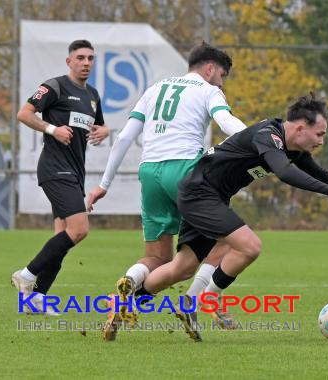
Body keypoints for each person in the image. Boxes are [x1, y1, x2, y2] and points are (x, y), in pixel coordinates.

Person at [141, 93, 328, 342]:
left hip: (209, 196)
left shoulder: (293, 149)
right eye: (320, 134)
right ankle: (206, 299)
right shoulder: (268, 135)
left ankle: (128, 302)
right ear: (301, 128)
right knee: (250, 246)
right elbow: (284, 172)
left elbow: (320, 174)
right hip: (199, 193)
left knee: (182, 268)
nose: (321, 141)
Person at [87, 42, 247, 339]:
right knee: (229, 243)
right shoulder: (208, 90)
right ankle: (198, 301)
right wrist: (255, 138)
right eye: (222, 75)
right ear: (210, 69)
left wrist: (103, 184)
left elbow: (123, 139)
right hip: (186, 172)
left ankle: (127, 286)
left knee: (156, 257)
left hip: (149, 173)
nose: (222, 82)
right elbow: (225, 121)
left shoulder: (154, 89)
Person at [11, 40, 110, 313]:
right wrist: (52, 129)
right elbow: (24, 114)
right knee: (79, 230)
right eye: (80, 57)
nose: (86, 62)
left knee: (62, 238)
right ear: (69, 62)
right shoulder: (54, 86)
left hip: (75, 173)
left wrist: (105, 131)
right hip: (55, 169)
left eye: (91, 58)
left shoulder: (92, 94)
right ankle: (27, 275)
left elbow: (99, 125)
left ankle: (37, 299)